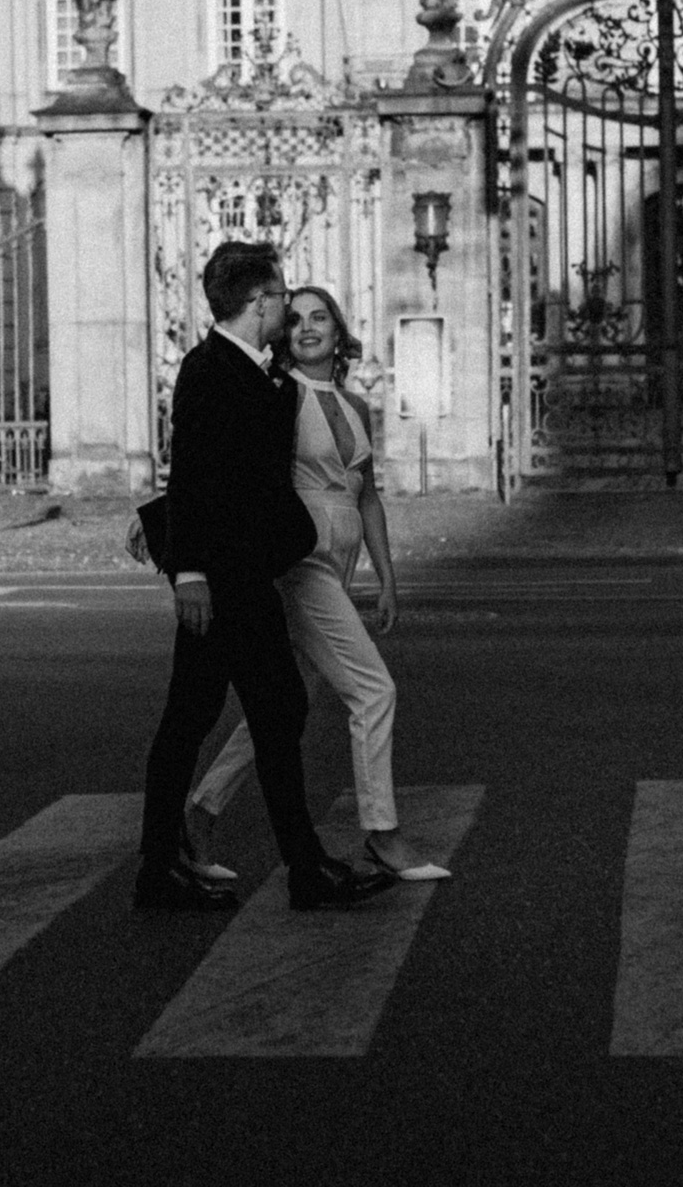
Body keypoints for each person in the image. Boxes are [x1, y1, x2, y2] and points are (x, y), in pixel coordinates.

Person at [134, 241, 395, 913]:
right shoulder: (209, 367)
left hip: (247, 577)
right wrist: (188, 571)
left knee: (255, 714)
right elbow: (192, 471)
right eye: (280, 295)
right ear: (259, 302)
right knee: (215, 719)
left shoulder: (260, 374)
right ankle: (181, 868)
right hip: (219, 584)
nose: (287, 304)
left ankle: (273, 867)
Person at [183, 286, 452, 884]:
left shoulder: (354, 405)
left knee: (283, 703)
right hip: (298, 558)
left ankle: (201, 810)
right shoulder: (278, 395)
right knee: (373, 690)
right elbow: (228, 465)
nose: (307, 328)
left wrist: (386, 577)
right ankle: (381, 833)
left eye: (319, 316)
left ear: (338, 327)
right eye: (296, 318)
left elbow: (369, 494)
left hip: (342, 554)